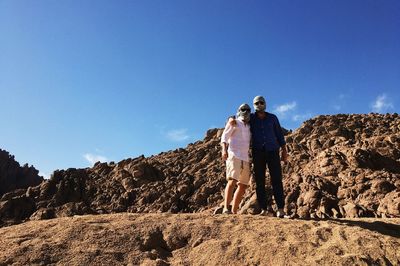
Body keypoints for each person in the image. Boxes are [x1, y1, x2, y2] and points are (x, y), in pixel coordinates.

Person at [229, 96, 289, 218]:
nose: (259, 104)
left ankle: (281, 209)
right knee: (260, 181)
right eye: (257, 103)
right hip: (258, 152)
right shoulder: (251, 117)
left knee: (277, 180)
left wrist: (284, 151)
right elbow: (238, 116)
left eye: (262, 102)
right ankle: (264, 209)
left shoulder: (272, 118)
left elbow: (279, 134)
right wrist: (230, 119)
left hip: (273, 151)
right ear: (254, 105)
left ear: (265, 103)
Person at [220, 103, 252, 214]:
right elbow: (224, 137)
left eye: (248, 110)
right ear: (239, 110)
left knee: (243, 185)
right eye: (243, 109)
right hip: (234, 155)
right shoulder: (234, 122)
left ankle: (234, 210)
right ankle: (225, 208)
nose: (246, 111)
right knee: (232, 181)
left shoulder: (249, 125)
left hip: (245, 157)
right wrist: (224, 150)